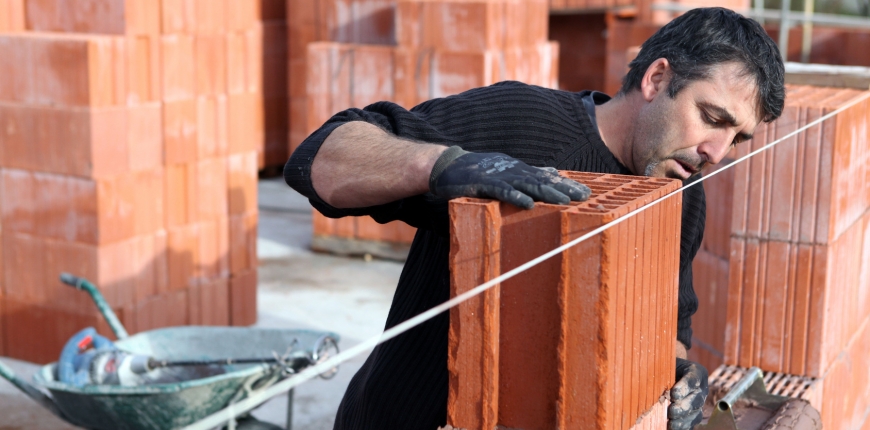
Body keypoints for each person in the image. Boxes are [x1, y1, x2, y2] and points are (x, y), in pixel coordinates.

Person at [284, 7, 784, 430]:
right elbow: (320, 157)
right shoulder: (524, 121)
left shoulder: (683, 194)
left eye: (737, 138)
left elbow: (672, 322)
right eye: (712, 118)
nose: (717, 151)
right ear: (657, 79)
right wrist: (442, 165)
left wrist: (674, 369)